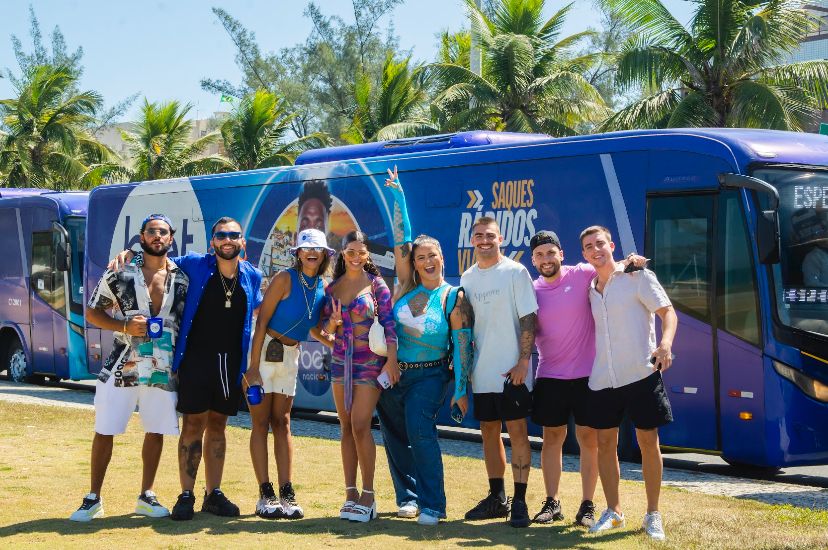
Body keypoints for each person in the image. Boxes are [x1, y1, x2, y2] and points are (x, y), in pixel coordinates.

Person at [110, 217, 263, 521]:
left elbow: (261, 313)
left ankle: (214, 494)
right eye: (221, 235)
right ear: (212, 241)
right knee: (194, 425)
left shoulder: (252, 275)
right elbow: (159, 257)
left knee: (219, 426)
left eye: (234, 235)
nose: (227, 240)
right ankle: (186, 494)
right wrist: (132, 255)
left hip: (230, 361)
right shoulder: (194, 264)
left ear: (243, 242)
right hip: (196, 358)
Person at [71, 214, 188, 522]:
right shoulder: (120, 272)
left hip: (162, 368)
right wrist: (123, 324)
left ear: (171, 239)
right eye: (152, 232)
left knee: (157, 430)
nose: (157, 237)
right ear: (141, 236)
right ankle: (93, 497)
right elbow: (93, 312)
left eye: (163, 232)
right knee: (105, 428)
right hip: (123, 364)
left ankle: (146, 496)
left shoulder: (182, 277)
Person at [375, 168, 475, 526]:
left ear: (442, 258)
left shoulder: (453, 297)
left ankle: (434, 505)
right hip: (392, 375)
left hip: (431, 376)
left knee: (420, 430)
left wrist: (461, 389)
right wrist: (398, 196)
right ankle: (408, 497)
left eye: (433, 255)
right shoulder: (404, 288)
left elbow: (463, 346)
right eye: (420, 257)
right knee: (394, 435)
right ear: (413, 264)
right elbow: (401, 237)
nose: (427, 261)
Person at [528, 230, 646, 528]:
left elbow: (608, 264)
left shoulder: (580, 274)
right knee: (551, 439)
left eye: (550, 253)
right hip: (550, 376)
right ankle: (552, 502)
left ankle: (587, 505)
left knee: (588, 441)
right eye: (540, 255)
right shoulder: (531, 290)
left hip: (589, 377)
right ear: (533, 260)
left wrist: (630, 261)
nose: (546, 259)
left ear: (561, 254)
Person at [579, 225, 677, 541]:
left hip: (641, 373)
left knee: (649, 442)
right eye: (589, 246)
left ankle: (652, 514)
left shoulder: (637, 276)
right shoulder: (589, 286)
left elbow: (668, 312)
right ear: (584, 254)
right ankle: (614, 511)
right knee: (605, 444)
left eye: (600, 244)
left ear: (612, 245)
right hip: (604, 377)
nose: (595, 250)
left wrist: (665, 345)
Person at [245, 228, 334, 519]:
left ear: (324, 255)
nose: (311, 253)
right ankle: (264, 494)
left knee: (282, 423)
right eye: (306, 248)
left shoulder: (322, 286)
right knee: (260, 423)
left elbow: (311, 328)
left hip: (290, 355)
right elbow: (262, 323)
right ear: (297, 252)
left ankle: (286, 493)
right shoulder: (285, 278)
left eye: (317, 249)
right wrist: (253, 367)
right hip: (264, 351)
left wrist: (332, 341)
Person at [460, 216, 538, 528]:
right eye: (478, 235)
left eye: (489, 235)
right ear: (472, 239)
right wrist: (464, 371)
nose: (484, 240)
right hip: (482, 374)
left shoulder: (515, 272)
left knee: (518, 433)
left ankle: (519, 501)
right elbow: (465, 329)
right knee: (489, 433)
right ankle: (497, 498)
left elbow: (529, 319)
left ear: (500, 238)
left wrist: (523, 362)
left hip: (512, 373)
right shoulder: (467, 278)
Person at [321, 230, 398, 523]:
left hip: (370, 364)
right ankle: (350, 493)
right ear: (343, 254)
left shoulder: (377, 285)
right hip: (341, 363)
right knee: (345, 427)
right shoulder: (332, 288)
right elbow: (325, 329)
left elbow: (390, 326)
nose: (355, 258)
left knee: (360, 424)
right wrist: (333, 322)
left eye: (361, 253)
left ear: (368, 256)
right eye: (350, 252)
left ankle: (369, 495)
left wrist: (391, 361)